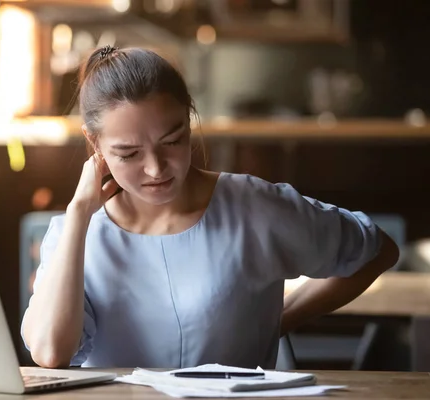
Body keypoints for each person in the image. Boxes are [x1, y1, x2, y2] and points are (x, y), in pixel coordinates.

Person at [20, 45, 399, 369]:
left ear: (189, 119)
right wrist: (79, 214)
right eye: (129, 153)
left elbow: (376, 251)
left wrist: (278, 320)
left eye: (172, 141)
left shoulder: (253, 206)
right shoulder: (78, 232)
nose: (155, 169)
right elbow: (51, 353)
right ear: (95, 145)